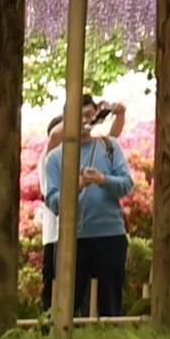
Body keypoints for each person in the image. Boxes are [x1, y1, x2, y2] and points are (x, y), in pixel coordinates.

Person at [43, 98, 133, 321]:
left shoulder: (109, 146)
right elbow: (53, 201)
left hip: (110, 234)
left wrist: (103, 180)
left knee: (110, 302)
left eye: (89, 114)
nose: (85, 120)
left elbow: (126, 184)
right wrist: (77, 186)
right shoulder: (55, 158)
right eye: (79, 114)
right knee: (68, 303)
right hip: (73, 238)